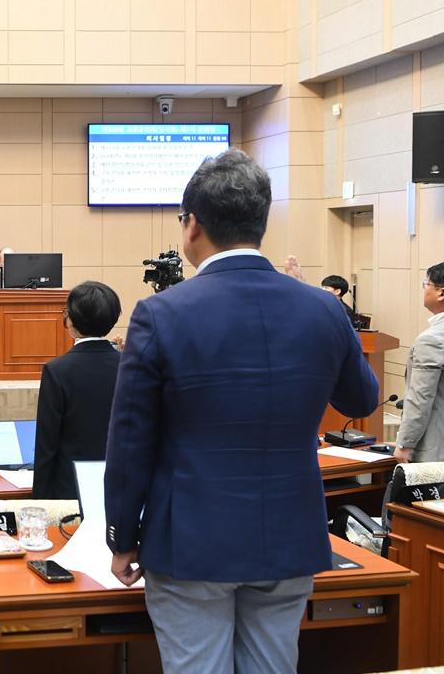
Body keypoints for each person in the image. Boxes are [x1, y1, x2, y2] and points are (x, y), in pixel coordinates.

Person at [103, 149, 379, 674]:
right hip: (289, 533)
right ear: (262, 223)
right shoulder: (321, 307)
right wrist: (334, 324)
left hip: (189, 541)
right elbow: (363, 400)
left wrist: (122, 535)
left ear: (193, 227)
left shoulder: (161, 314)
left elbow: (130, 438)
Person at [31, 281, 121, 500]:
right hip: (120, 485)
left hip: (70, 490)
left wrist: (39, 501)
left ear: (70, 321)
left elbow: (47, 444)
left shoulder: (56, 370)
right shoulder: (130, 366)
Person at [394, 262, 444, 463]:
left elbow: (420, 397)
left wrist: (405, 444)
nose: (424, 289)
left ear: (441, 293)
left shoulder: (432, 339)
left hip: (435, 451)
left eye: (426, 284)